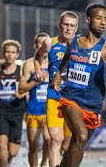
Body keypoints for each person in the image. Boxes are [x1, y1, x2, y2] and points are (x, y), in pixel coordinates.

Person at [53, 3, 106, 166]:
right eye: (99, 18)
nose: (103, 22)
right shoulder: (73, 42)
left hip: (93, 105)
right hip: (71, 99)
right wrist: (58, 73)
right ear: (88, 20)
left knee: (77, 145)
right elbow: (66, 58)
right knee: (81, 136)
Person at [34, 11, 79, 167]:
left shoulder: (81, 45)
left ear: (76, 28)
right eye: (65, 24)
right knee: (56, 139)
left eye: (72, 26)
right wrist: (38, 70)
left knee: (67, 145)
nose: (68, 28)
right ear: (60, 25)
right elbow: (38, 56)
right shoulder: (50, 42)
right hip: (54, 96)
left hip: (73, 99)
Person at [18, 33, 51, 167]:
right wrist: (36, 83)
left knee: (49, 139)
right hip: (33, 110)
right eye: (40, 44)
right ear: (35, 46)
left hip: (50, 110)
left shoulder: (55, 63)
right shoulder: (28, 64)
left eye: (46, 44)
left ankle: (44, 162)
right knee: (33, 146)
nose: (43, 47)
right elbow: (21, 88)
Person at [0, 39, 27, 167]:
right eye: (7, 52)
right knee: (2, 146)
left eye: (13, 52)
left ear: (17, 54)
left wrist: (23, 93)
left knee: (12, 152)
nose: (9, 55)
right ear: (3, 53)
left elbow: (30, 88)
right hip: (2, 111)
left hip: (17, 111)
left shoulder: (21, 71)